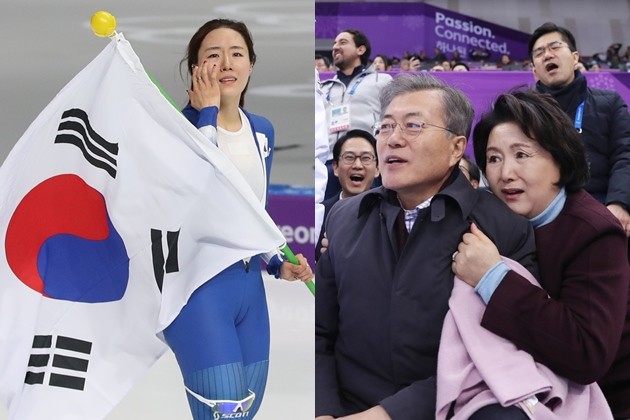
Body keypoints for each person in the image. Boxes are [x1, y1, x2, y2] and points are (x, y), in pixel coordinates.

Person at [315, 73, 539, 419]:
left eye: (413, 126)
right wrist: (323, 411)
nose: (393, 140)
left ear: (455, 147)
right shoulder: (344, 218)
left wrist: (386, 414)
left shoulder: (503, 229)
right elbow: (321, 334)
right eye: (386, 127)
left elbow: (498, 354)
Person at [161, 19, 313, 420]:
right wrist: (207, 112)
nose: (225, 63)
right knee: (223, 414)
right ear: (194, 68)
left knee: (244, 413)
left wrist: (277, 261)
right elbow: (203, 190)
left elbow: (251, 208)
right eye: (212, 55)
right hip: (198, 290)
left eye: (237, 53)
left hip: (248, 292)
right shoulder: (175, 129)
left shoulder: (261, 130)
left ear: (251, 64)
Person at [454, 89, 630, 419]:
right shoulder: (488, 220)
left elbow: (586, 353)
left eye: (522, 154)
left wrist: (492, 277)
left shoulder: (593, 232)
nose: (505, 173)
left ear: (559, 160)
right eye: (493, 158)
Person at [529, 22, 630, 239]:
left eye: (555, 47)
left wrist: (619, 203)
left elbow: (625, 155)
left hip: (601, 210)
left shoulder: (610, 102)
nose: (547, 55)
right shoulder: (523, 113)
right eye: (539, 53)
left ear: (575, 58)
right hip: (542, 219)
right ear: (534, 70)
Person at [321, 29, 392, 200]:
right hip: (330, 163)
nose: (335, 47)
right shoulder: (324, 87)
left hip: (365, 163)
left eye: (343, 42)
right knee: (327, 216)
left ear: (360, 50)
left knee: (366, 216)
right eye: (334, 44)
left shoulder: (381, 81)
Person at [315, 129, 380, 261]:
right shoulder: (319, 213)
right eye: (349, 157)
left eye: (366, 158)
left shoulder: (391, 214)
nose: (357, 165)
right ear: (335, 167)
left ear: (378, 169)